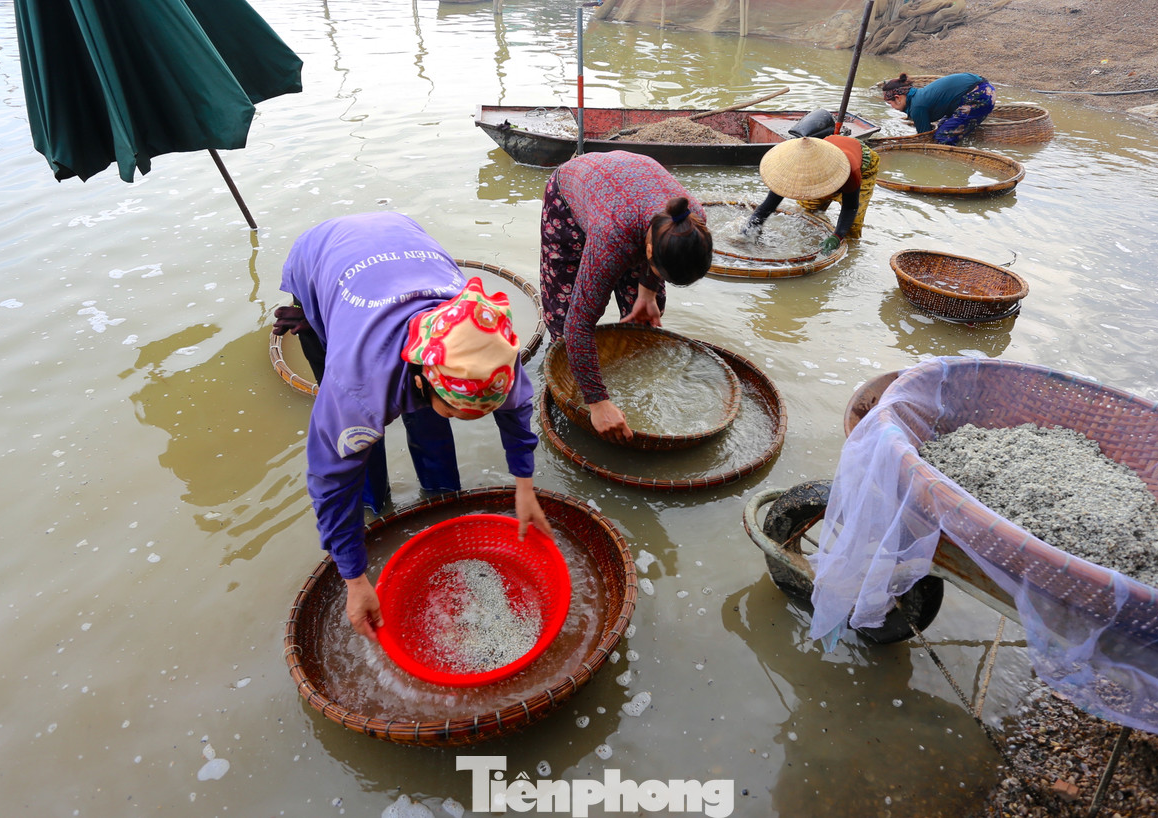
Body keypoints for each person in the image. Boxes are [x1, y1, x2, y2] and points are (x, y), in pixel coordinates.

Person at [273, 212, 554, 638]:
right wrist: (354, 579)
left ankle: (440, 497)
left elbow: (516, 410)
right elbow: (331, 479)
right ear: (422, 377)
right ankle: (376, 505)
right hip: (323, 257)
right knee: (359, 454)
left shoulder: (486, 340)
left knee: (430, 423)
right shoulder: (357, 387)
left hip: (399, 236)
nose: (467, 420)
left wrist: (525, 485)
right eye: (460, 411)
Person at [539, 150, 715, 441]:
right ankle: (572, 377)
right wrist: (597, 402)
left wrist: (647, 293)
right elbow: (578, 324)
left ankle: (626, 364)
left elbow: (653, 258)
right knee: (565, 310)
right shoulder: (613, 235)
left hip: (626, 195)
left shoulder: (692, 222)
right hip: (571, 193)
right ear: (648, 253)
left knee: (650, 305)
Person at [742, 126, 880, 254]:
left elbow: (851, 207)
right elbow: (771, 202)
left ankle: (850, 253)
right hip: (826, 151)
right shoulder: (791, 168)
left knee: (852, 227)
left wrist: (837, 236)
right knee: (809, 211)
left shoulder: (851, 169)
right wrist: (755, 221)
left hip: (861, 164)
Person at [881, 72, 995, 146]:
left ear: (898, 98)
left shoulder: (917, 106)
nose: (891, 107)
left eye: (890, 103)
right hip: (985, 91)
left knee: (941, 138)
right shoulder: (918, 97)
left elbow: (924, 139)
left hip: (979, 95)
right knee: (943, 126)